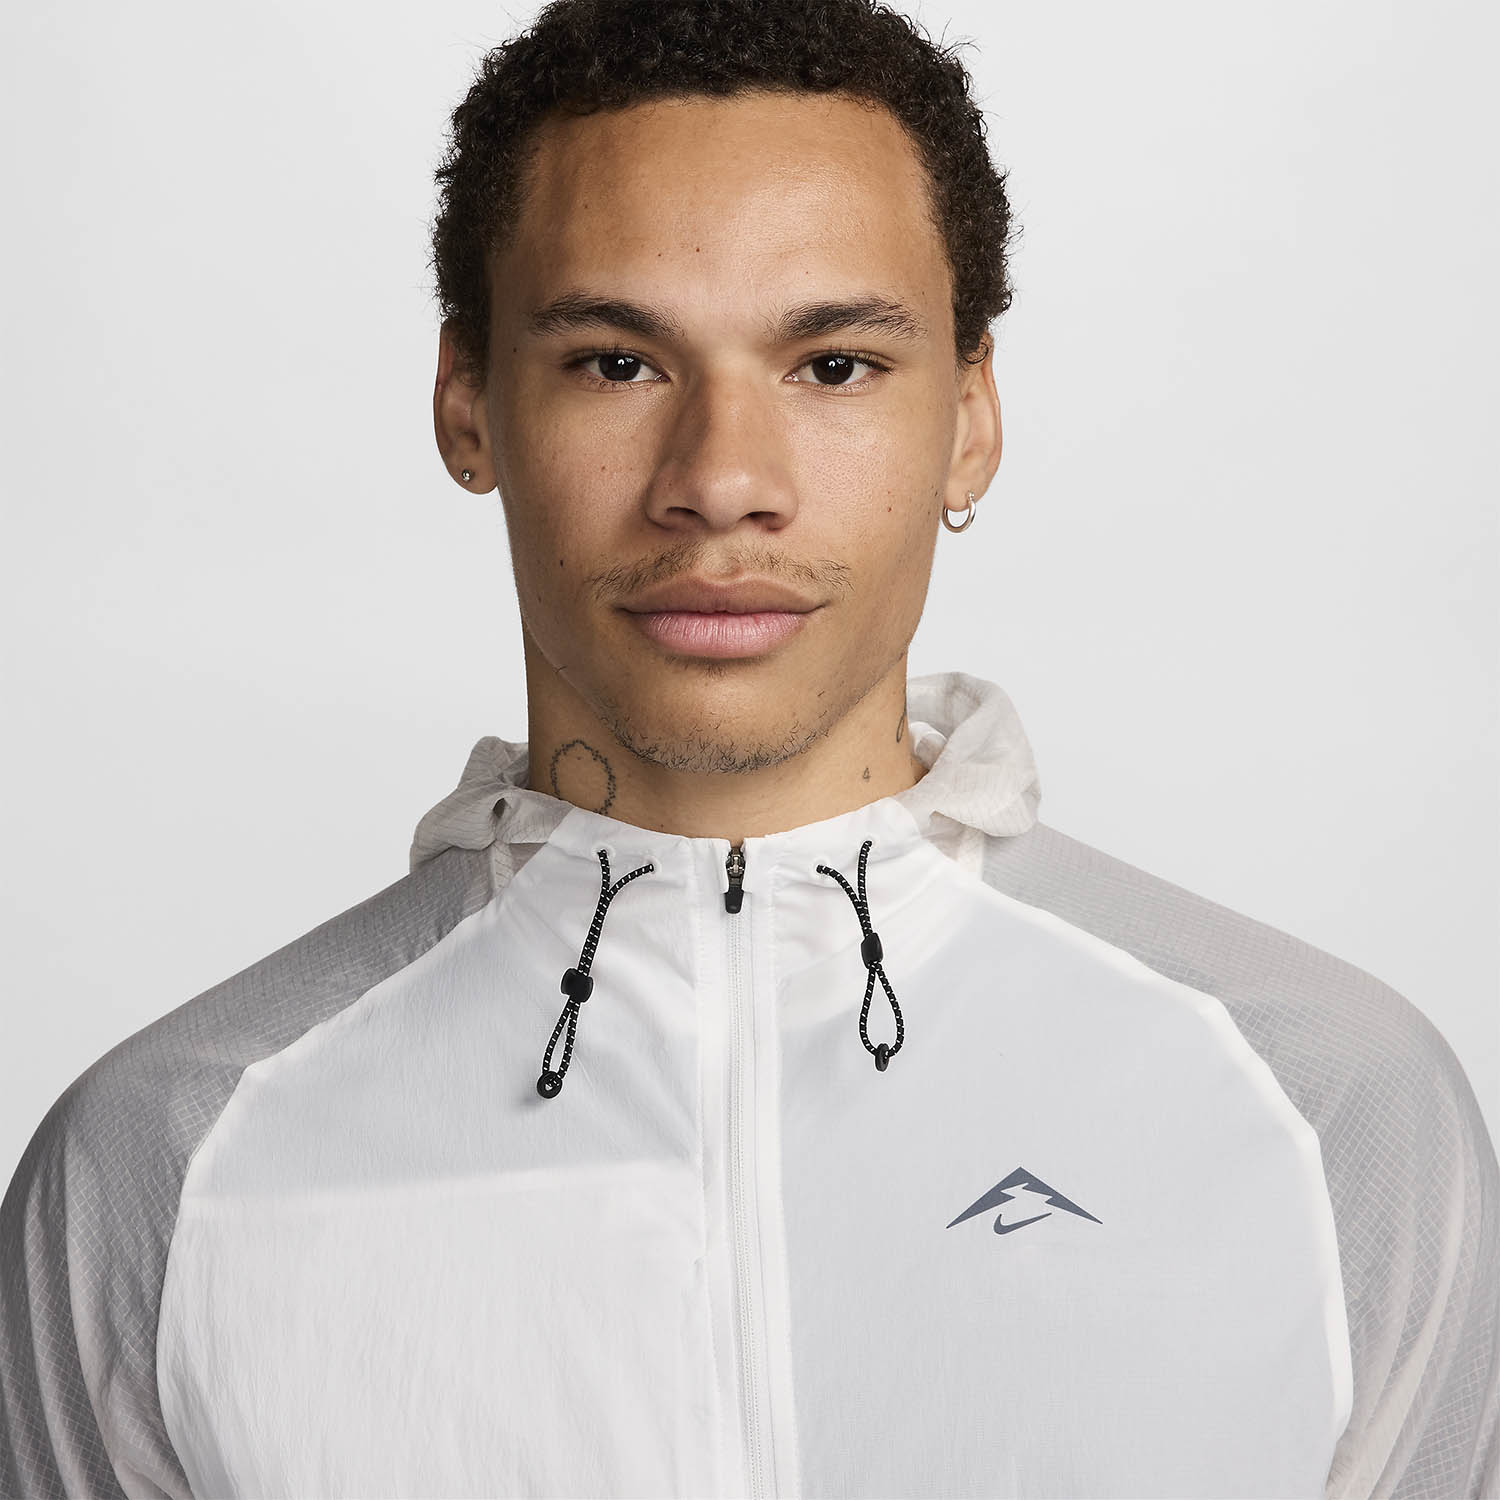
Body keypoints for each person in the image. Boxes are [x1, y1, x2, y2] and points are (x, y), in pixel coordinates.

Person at [2, 0, 1495, 1494]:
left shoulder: (1324, 1115)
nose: (721, 482)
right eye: (616, 363)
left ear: (970, 416)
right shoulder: (168, 1163)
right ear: (468, 404)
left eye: (833, 365)